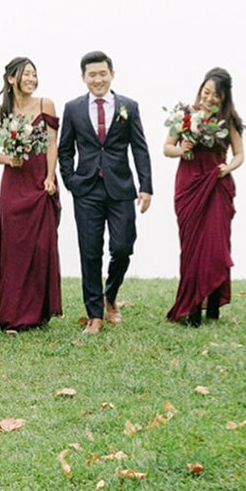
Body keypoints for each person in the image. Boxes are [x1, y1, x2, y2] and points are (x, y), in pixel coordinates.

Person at [58, 50, 152, 334]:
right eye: (92, 75)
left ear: (112, 74)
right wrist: (71, 181)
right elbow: (65, 149)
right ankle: (95, 314)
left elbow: (139, 147)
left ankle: (110, 294)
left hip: (121, 188)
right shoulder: (73, 108)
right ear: (83, 77)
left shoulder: (129, 106)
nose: (97, 79)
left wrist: (145, 185)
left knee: (123, 247)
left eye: (102, 73)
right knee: (90, 252)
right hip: (86, 189)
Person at [164, 67, 245, 327]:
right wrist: (181, 149)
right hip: (189, 185)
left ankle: (212, 301)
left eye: (215, 95)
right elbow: (167, 147)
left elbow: (239, 154)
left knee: (215, 246)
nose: (209, 98)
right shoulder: (185, 115)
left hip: (216, 184)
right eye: (206, 92)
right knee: (191, 247)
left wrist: (228, 168)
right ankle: (191, 307)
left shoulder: (228, 120)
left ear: (224, 98)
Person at [0, 56, 62, 331]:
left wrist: (50, 177)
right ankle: (11, 313)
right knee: (14, 248)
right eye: (25, 74)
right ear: (10, 78)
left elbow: (52, 143)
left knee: (42, 247)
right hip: (14, 183)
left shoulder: (46, 105)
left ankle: (37, 312)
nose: (31, 79)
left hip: (40, 180)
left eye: (34, 74)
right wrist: (9, 159)